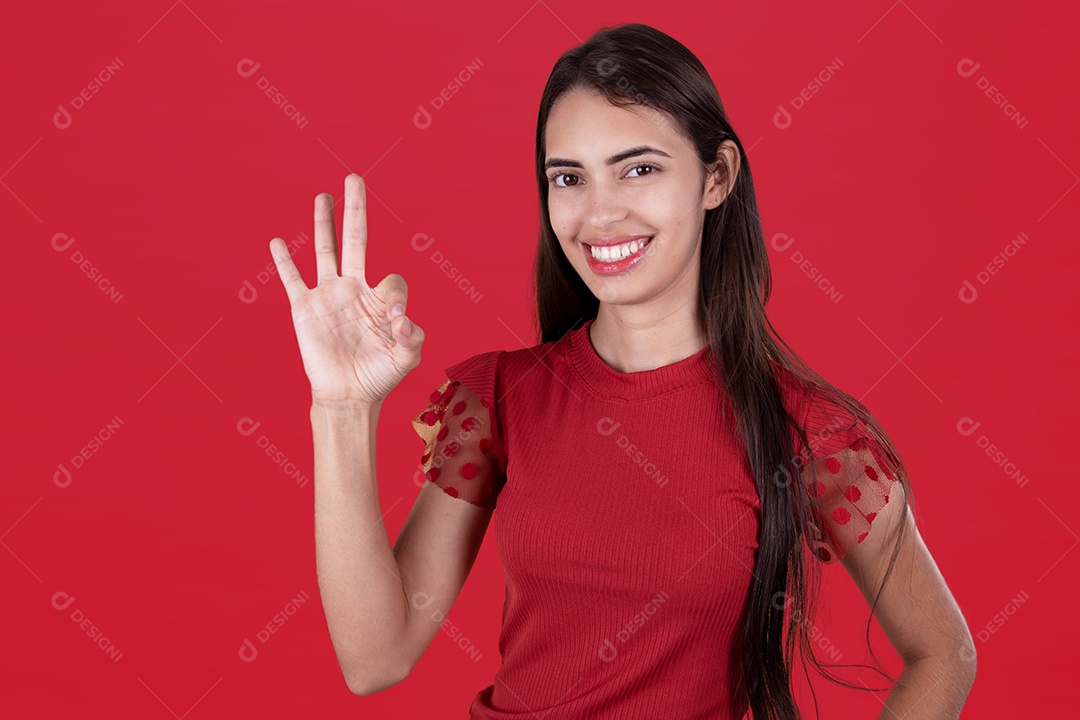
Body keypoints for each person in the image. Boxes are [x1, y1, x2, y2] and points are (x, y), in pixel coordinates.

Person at [269, 22, 975, 720]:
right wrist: (341, 409)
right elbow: (375, 658)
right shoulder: (500, 400)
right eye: (569, 177)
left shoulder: (809, 431)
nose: (600, 213)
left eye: (639, 168)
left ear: (717, 176)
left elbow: (943, 652)